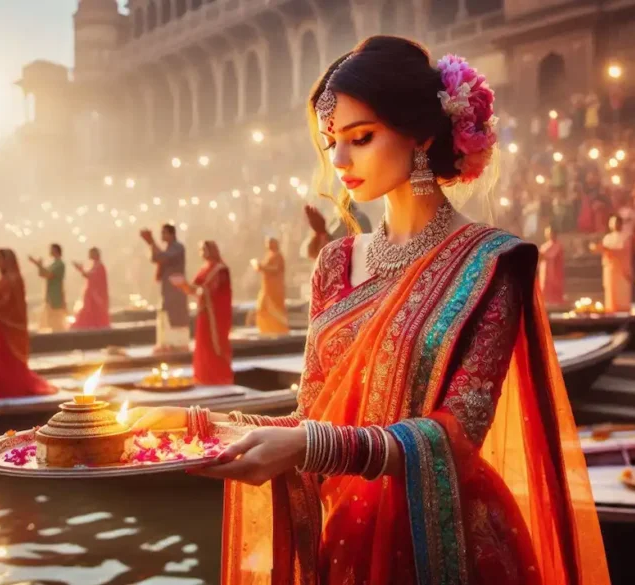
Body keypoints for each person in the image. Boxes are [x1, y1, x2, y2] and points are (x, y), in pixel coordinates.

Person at [128, 36, 607, 585]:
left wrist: (310, 443)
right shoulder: (336, 262)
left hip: (447, 543)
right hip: (348, 538)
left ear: (423, 134)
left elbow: (456, 437)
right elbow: (314, 418)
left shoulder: (491, 264)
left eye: (360, 137)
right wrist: (198, 426)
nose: (338, 161)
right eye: (332, 141)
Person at [0, 249, 56, 400]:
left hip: (7, 330)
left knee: (5, 361)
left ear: (7, 261)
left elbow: (5, 306)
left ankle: (8, 387)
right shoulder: (2, 279)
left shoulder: (13, 280)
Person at [182, 241, 233, 385]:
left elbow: (215, 291)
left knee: (214, 344)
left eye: (204, 249)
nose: (202, 252)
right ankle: (203, 376)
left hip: (215, 316)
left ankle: (218, 377)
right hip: (204, 314)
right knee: (203, 344)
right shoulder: (204, 269)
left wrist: (201, 291)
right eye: (200, 249)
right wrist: (183, 285)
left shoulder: (220, 269)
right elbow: (194, 289)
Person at [140, 223, 192, 353]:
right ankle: (167, 343)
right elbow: (155, 258)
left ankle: (179, 345)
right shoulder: (167, 248)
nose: (162, 235)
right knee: (166, 313)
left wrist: (152, 242)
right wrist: (151, 244)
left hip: (176, 289)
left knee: (176, 315)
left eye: (164, 233)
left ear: (172, 234)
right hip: (167, 288)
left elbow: (163, 258)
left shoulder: (178, 247)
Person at [303, 200, 372, 260]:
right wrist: (320, 232)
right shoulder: (338, 221)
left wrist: (322, 232)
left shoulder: (357, 219)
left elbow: (344, 248)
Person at [591, 215, 633, 313]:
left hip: (621, 269)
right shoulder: (607, 238)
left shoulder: (626, 237)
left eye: (617, 222)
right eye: (612, 222)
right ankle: (610, 308)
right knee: (610, 290)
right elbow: (604, 250)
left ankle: (623, 309)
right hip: (610, 268)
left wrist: (608, 250)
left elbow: (623, 252)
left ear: (621, 223)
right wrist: (598, 248)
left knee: (621, 291)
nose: (614, 225)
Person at [251, 237, 289, 335]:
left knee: (274, 310)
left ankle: (278, 330)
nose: (268, 245)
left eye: (270, 243)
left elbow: (275, 269)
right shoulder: (269, 255)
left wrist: (261, 267)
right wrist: (258, 266)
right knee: (262, 309)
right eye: (267, 243)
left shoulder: (278, 256)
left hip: (275, 290)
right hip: (266, 289)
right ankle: (266, 329)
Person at [28, 243, 68, 332]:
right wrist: (38, 265)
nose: (50, 251)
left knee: (56, 320)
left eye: (51, 249)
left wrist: (38, 265)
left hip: (56, 295)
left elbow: (49, 275)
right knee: (50, 320)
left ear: (56, 251)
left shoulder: (60, 264)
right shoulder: (53, 264)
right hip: (50, 295)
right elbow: (42, 274)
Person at [71, 247, 111, 330]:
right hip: (91, 295)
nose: (89, 255)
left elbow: (90, 276)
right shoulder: (95, 265)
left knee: (95, 313)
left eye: (91, 253)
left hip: (96, 296)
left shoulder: (100, 266)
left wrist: (80, 269)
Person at [537, 224, 565, 306]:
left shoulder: (558, 245)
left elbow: (552, 255)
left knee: (554, 287)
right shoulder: (544, 246)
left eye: (551, 233)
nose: (549, 234)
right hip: (544, 271)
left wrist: (544, 255)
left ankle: (556, 303)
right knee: (544, 287)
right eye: (548, 233)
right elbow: (540, 257)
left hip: (554, 271)